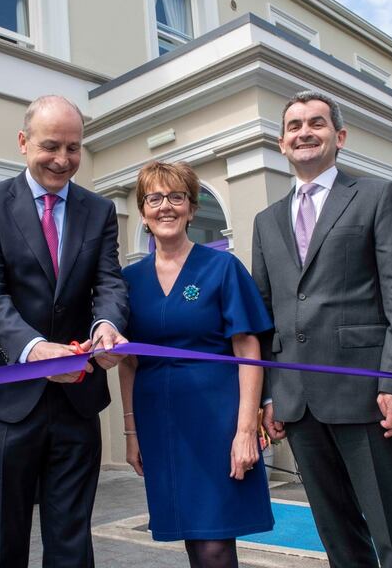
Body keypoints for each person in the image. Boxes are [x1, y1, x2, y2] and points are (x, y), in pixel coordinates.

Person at [251, 91, 392, 568]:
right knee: (337, 537)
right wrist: (271, 393)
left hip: (368, 394)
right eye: (293, 126)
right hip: (299, 402)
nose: (304, 132)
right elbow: (265, 313)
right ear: (282, 142)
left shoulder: (378, 196)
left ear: (340, 136)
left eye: (316, 123)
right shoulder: (266, 221)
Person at [0, 95, 129, 568]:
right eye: (51, 146)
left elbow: (109, 282)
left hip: (78, 398)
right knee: (2, 541)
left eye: (74, 148)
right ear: (23, 142)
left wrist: (107, 326)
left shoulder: (99, 211)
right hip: (6, 397)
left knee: (72, 540)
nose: (63, 159)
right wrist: (33, 350)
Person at [118, 162, 273, 568]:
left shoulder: (222, 268)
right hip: (161, 424)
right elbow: (128, 362)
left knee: (215, 542)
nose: (165, 206)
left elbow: (248, 351)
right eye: (154, 198)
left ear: (190, 207)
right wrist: (131, 432)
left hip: (217, 422)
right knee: (191, 535)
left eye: (176, 197)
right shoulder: (127, 281)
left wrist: (245, 432)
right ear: (143, 210)